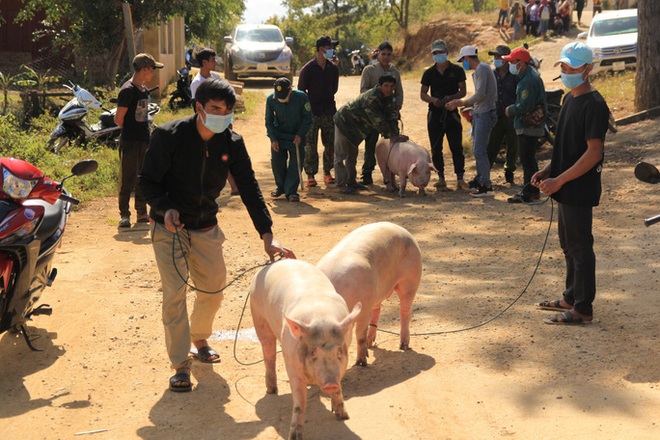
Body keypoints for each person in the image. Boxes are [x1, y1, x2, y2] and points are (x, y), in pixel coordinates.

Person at [138, 78, 295, 392]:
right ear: (199, 108)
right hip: (170, 227)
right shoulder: (169, 136)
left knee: (213, 291)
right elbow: (146, 183)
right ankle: (181, 364)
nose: (222, 115)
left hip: (207, 226)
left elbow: (249, 186)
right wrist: (164, 207)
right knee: (174, 293)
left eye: (227, 110)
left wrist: (267, 233)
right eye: (215, 109)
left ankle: (199, 336)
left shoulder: (231, 143)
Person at [533, 42, 610, 325]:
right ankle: (570, 295)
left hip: (578, 188)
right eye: (563, 67)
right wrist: (547, 171)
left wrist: (560, 180)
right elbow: (566, 149)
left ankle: (582, 308)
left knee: (580, 247)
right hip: (563, 186)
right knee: (567, 244)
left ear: (588, 70)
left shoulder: (595, 105)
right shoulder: (568, 100)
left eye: (572, 67)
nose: (566, 72)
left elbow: (593, 152)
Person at [334, 73, 407, 194]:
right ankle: (341, 184)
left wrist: (396, 133)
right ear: (379, 85)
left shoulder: (389, 97)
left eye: (391, 86)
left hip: (357, 127)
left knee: (352, 155)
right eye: (386, 86)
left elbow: (391, 116)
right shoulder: (372, 97)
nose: (389, 89)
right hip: (344, 122)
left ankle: (351, 182)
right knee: (340, 155)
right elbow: (378, 120)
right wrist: (392, 136)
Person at [114, 53, 163, 228]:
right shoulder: (128, 90)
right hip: (130, 141)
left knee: (142, 177)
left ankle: (142, 212)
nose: (153, 74)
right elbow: (118, 119)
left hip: (144, 139)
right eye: (152, 70)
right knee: (127, 178)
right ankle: (124, 214)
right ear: (145, 69)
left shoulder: (142, 89)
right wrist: (131, 130)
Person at [446, 45, 498, 198]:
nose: (463, 63)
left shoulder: (482, 69)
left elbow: (480, 94)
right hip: (481, 112)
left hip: (485, 113)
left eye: (463, 60)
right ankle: (481, 179)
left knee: (479, 150)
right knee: (478, 149)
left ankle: (485, 185)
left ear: (467, 58)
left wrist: (462, 102)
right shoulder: (481, 69)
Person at [189, 48, 240, 196]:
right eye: (212, 60)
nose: (215, 62)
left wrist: (228, 119)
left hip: (221, 122)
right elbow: (198, 108)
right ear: (204, 62)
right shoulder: (197, 83)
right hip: (207, 125)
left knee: (222, 153)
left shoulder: (216, 77)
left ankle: (234, 186)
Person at [420, 39, 468, 191]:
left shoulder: (457, 70)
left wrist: (451, 98)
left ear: (446, 52)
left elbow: (463, 91)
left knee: (456, 146)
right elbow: (423, 93)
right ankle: (441, 177)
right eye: (435, 53)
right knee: (436, 147)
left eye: (440, 52)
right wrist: (433, 100)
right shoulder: (429, 73)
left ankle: (460, 177)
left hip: (451, 111)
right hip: (435, 113)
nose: (438, 55)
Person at [503, 47, 547, 203]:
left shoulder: (528, 80)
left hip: (527, 126)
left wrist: (510, 110)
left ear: (520, 63)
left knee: (526, 160)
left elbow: (525, 106)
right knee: (530, 160)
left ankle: (527, 193)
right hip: (532, 126)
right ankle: (533, 190)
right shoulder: (529, 76)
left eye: (512, 62)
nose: (509, 65)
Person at [359, 41, 404, 185]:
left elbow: (399, 92)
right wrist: (376, 97)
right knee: (371, 143)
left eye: (388, 54)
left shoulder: (395, 72)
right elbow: (363, 91)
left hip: (389, 113)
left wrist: (396, 108)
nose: (385, 57)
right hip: (372, 114)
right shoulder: (369, 70)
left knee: (393, 143)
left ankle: (391, 174)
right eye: (383, 54)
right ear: (377, 54)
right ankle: (367, 173)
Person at [298, 35, 340, 188]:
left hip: (329, 110)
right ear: (321, 49)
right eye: (329, 48)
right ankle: (310, 174)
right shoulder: (308, 69)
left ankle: (327, 172)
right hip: (312, 112)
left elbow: (334, 89)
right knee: (310, 144)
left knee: (330, 143)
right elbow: (301, 92)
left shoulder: (333, 68)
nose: (332, 50)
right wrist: (306, 110)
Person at [265, 77, 313, 202]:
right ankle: (281, 187)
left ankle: (291, 191)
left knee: (295, 164)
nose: (281, 99)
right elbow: (268, 121)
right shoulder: (271, 100)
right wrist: (273, 139)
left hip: (296, 136)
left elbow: (307, 118)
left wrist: (300, 134)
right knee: (277, 162)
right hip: (279, 136)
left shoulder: (302, 97)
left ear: (291, 90)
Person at [486, 45, 519, 185]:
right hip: (496, 117)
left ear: (506, 58)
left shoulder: (515, 76)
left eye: (499, 57)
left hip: (512, 117)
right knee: (491, 146)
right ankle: (485, 174)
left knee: (513, 147)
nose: (496, 59)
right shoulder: (492, 75)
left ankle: (509, 171)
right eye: (495, 57)